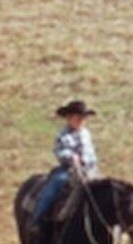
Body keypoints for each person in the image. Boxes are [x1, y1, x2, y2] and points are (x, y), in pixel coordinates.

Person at [35, 99, 99, 236]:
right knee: (54, 186)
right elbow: (59, 151)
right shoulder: (63, 135)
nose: (81, 121)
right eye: (78, 117)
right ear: (69, 118)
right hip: (69, 169)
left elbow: (91, 153)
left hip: (89, 169)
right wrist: (71, 157)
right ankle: (37, 219)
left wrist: (88, 161)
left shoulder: (86, 134)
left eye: (83, 118)